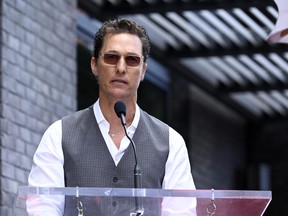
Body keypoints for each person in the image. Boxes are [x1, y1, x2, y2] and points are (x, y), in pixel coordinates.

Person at [27, 18, 196, 215]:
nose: (121, 68)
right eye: (111, 57)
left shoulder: (171, 142)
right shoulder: (59, 135)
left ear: (143, 71)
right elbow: (43, 209)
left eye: (132, 59)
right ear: (94, 65)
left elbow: (181, 212)